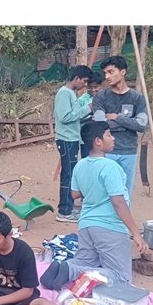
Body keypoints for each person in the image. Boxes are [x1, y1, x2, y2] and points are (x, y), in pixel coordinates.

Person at [40, 122, 150, 291]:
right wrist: (136, 233)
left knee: (86, 261)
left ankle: (65, 267)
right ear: (98, 141)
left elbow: (75, 194)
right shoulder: (110, 167)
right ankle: (71, 270)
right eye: (109, 135)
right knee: (121, 276)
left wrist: (93, 188)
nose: (113, 138)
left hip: (86, 224)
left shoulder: (80, 165)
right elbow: (118, 201)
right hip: (109, 226)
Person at [92, 56, 148, 205]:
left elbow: (142, 125)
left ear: (123, 72)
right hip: (106, 152)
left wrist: (116, 118)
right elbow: (100, 125)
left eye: (111, 72)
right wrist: (129, 122)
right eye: (105, 73)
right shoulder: (100, 97)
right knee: (104, 193)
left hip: (129, 151)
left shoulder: (138, 98)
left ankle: (124, 220)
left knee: (125, 193)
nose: (107, 76)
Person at [54, 65, 93, 223]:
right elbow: (65, 117)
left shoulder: (71, 93)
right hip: (66, 140)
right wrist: (87, 109)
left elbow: (73, 117)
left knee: (70, 174)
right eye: (84, 81)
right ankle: (64, 212)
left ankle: (68, 208)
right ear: (76, 78)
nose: (85, 84)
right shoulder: (64, 93)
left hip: (71, 139)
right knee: (68, 175)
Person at [77, 71, 105, 159]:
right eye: (90, 87)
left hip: (102, 137)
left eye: (96, 87)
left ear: (101, 86)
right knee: (87, 159)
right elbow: (76, 119)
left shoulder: (105, 98)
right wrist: (88, 119)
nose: (93, 90)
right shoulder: (81, 100)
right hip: (86, 138)